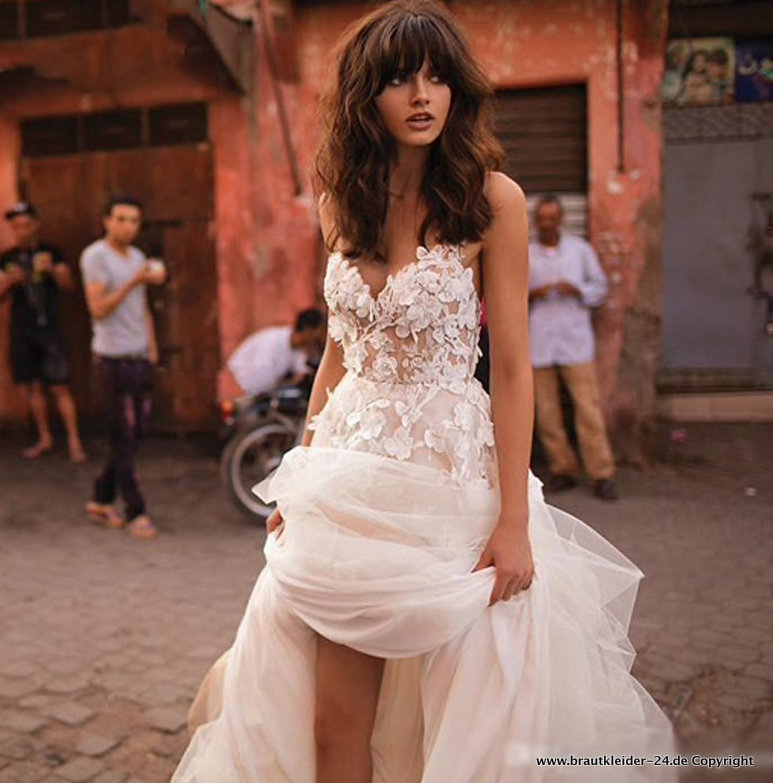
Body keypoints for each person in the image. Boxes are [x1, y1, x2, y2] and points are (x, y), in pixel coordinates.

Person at [172, 2, 674, 781]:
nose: (421, 94)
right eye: (401, 76)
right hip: (349, 479)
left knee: (463, 714)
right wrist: (298, 472)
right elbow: (339, 350)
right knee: (333, 716)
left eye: (438, 77)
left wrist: (513, 519)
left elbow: (510, 369)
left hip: (449, 483)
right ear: (364, 94)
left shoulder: (491, 201)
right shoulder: (341, 200)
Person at [80, 196, 166, 540]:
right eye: (121, 219)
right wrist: (134, 280)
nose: (127, 226)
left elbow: (141, 308)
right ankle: (136, 510)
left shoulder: (138, 257)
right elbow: (98, 309)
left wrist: (153, 348)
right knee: (124, 434)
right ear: (106, 221)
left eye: (134, 220)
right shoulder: (95, 256)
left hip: (139, 356)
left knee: (136, 432)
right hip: (112, 358)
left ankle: (101, 498)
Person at [528, 194, 618, 501]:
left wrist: (577, 289)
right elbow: (509, 296)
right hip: (538, 341)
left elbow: (600, 288)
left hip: (575, 342)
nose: (547, 224)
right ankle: (562, 468)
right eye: (542, 219)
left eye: (552, 218)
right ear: (536, 221)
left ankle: (601, 472)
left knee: (587, 408)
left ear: (562, 220)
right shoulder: (525, 253)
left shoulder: (580, 251)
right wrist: (531, 294)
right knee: (547, 411)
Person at [0, 202, 86, 462]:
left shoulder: (51, 251)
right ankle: (45, 437)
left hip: (49, 327)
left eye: (26, 225)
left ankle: (74, 441)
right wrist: (7, 281)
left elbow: (70, 286)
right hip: (22, 328)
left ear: (36, 224)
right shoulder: (6, 258)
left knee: (60, 386)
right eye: (16, 227)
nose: (22, 231)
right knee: (32, 386)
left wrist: (53, 270)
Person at [225, 308, 326, 397]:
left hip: (260, 393)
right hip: (239, 391)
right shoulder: (272, 341)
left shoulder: (298, 348)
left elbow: (301, 369)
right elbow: (262, 381)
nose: (321, 335)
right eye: (320, 331)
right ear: (308, 329)